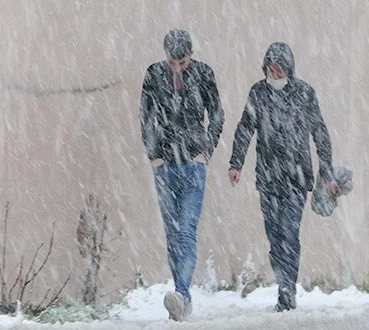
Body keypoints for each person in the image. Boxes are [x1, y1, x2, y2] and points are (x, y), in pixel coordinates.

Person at [227, 42, 338, 312]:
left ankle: (286, 290)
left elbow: (320, 133)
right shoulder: (258, 93)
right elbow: (245, 128)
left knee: (289, 233)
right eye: (270, 70)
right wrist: (236, 163)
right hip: (267, 178)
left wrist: (327, 172)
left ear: (289, 70)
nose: (274, 75)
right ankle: (283, 277)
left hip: (297, 178)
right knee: (275, 237)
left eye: (279, 70)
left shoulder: (304, 93)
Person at [138, 29, 225, 321]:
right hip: (165, 167)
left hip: (193, 164)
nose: (177, 67)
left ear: (190, 56)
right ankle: (180, 297)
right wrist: (154, 155)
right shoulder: (153, 74)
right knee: (173, 235)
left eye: (182, 62)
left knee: (187, 231)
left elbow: (217, 113)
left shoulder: (203, 74)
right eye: (172, 62)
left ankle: (183, 293)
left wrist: (206, 150)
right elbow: (145, 115)